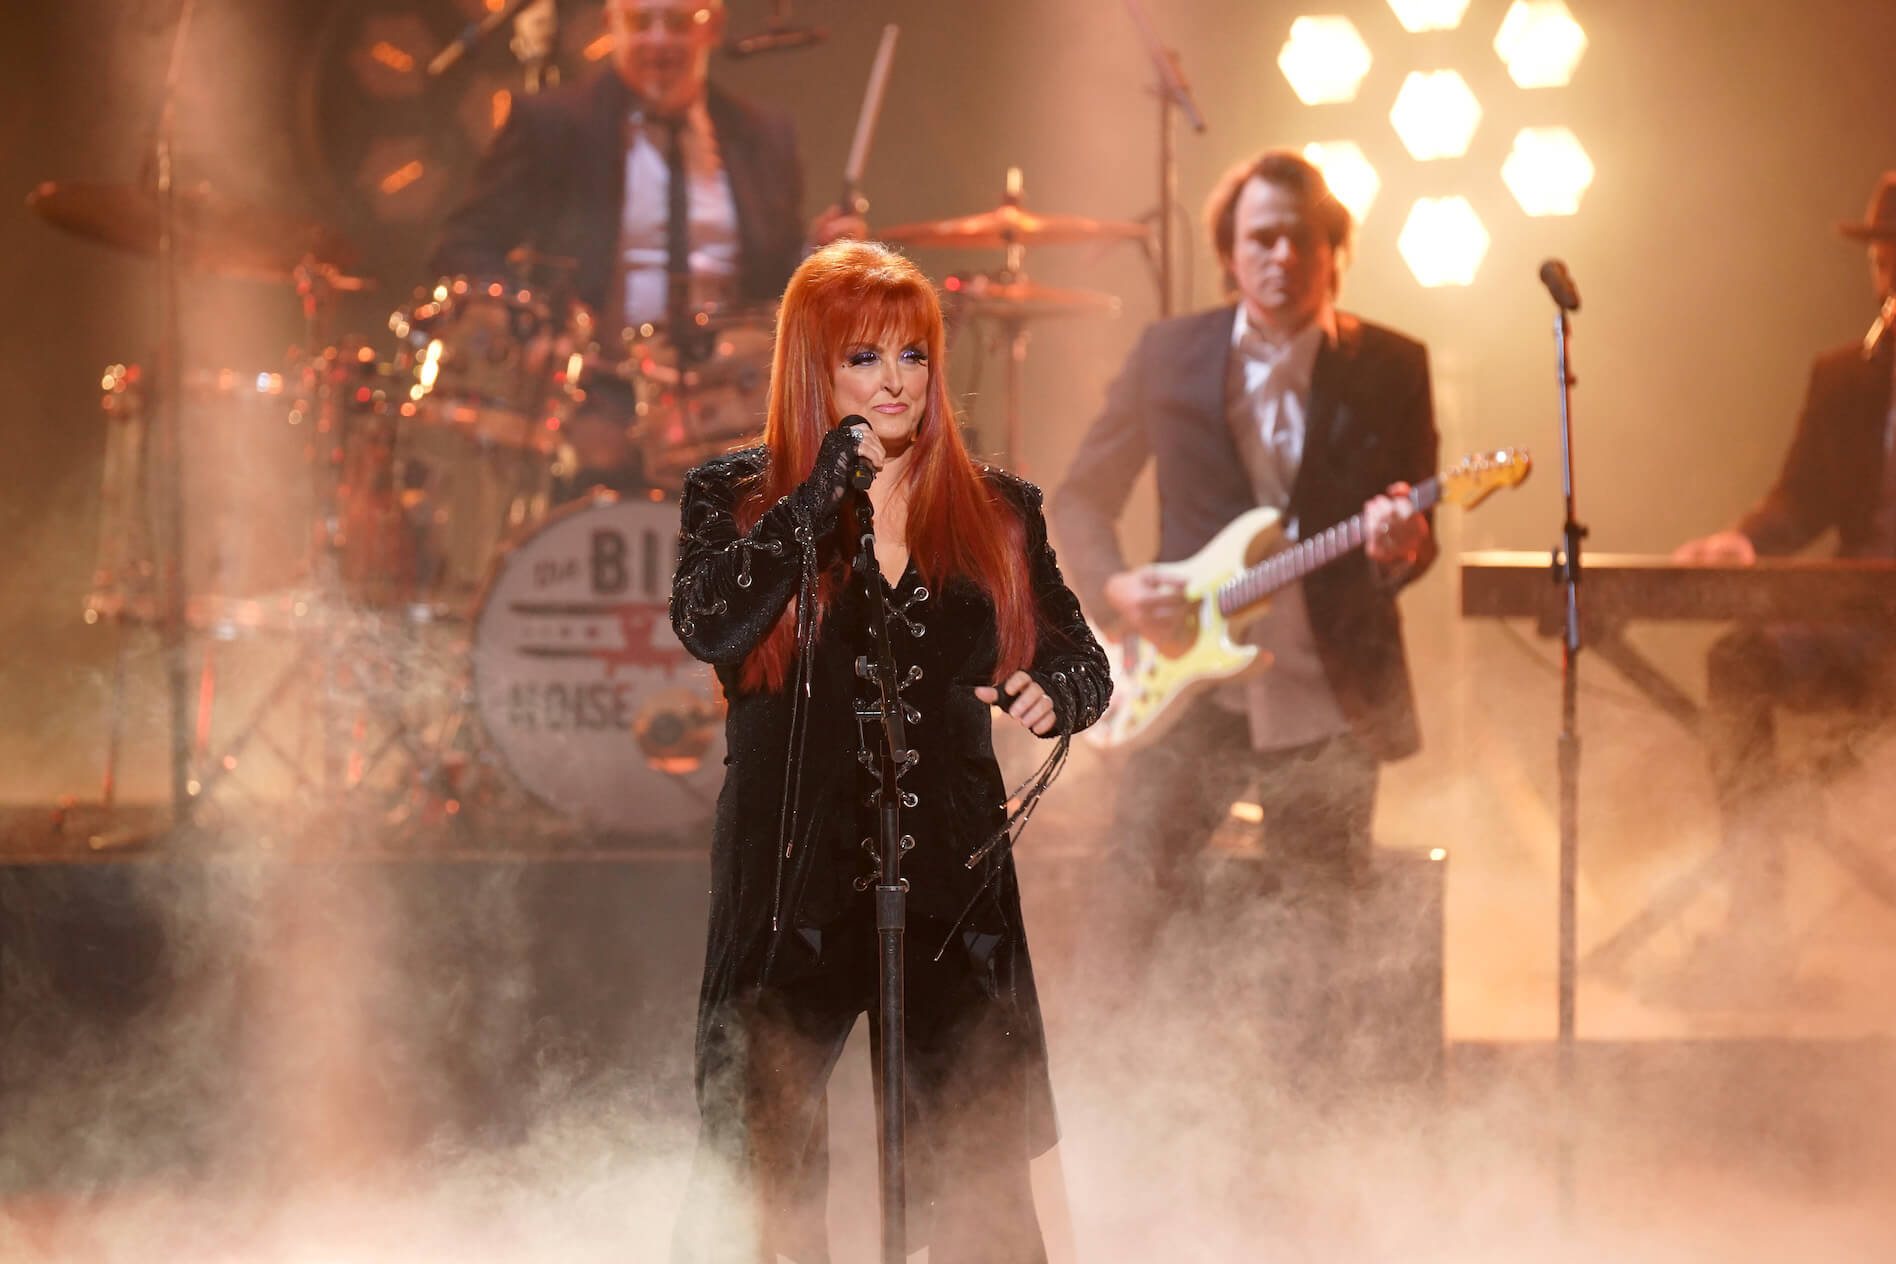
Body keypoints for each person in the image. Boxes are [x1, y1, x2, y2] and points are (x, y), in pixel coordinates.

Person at [667, 240, 1110, 1264]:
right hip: (792, 878)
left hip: (950, 879)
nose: (896, 381)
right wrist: (816, 498)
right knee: (762, 1158)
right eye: (865, 358)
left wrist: (1061, 693)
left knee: (973, 1169)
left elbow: (1082, 655)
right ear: (813, 368)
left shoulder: (999, 509)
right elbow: (709, 623)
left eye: (914, 356)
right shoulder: (735, 499)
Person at [1049, 148, 1437, 1083]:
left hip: (1327, 697)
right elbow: (1076, 501)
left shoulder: (1392, 366)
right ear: (1230, 253)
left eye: (1304, 240)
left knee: (1320, 952)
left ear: (1335, 253)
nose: (1283, 258)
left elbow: (1413, 541)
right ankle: (1085, 1131)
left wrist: (1401, 547)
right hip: (1188, 692)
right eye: (1262, 239)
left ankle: (1298, 1171)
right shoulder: (1169, 354)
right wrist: (1115, 590)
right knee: (1122, 930)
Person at [429, 0, 861, 488]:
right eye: (640, 22)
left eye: (677, 23)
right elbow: (467, 242)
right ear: (611, 26)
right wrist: (528, 324)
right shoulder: (552, 124)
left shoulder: (761, 135)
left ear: (712, 27)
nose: (658, 41)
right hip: (596, 395)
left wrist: (820, 257)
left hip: (734, 401)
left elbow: (774, 277)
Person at [1672, 170, 1896, 956]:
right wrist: (1749, 541)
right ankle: (1756, 927)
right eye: (1886, 257)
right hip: (1861, 629)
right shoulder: (1848, 377)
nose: (1891, 272)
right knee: (1738, 664)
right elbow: (1800, 499)